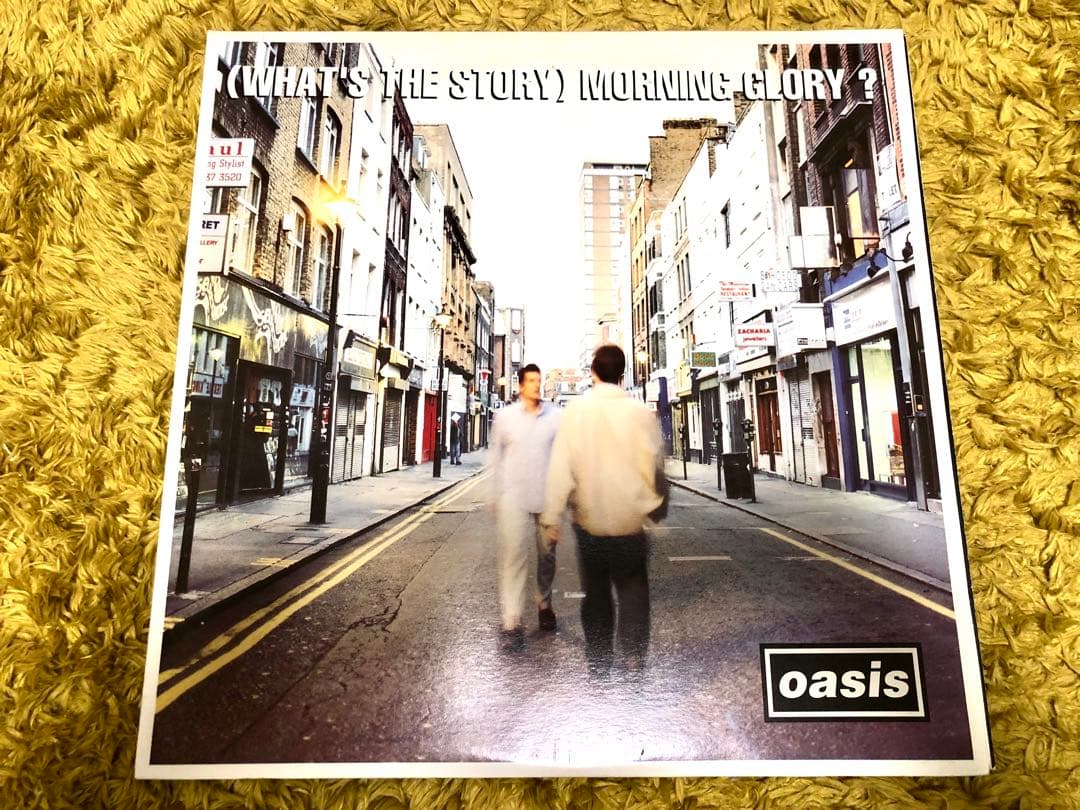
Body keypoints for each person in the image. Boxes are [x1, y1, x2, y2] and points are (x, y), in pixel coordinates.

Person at [540, 344, 667, 676]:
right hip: (630, 520)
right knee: (633, 590)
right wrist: (654, 507)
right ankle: (633, 657)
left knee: (596, 594)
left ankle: (599, 662)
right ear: (622, 374)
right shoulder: (640, 413)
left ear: (593, 372)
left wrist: (551, 517)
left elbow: (560, 468)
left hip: (591, 521)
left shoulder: (577, 411)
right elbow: (656, 463)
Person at [488, 363, 562, 652]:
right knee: (514, 557)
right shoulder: (505, 417)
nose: (536, 384)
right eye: (530, 380)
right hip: (513, 497)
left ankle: (544, 603)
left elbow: (562, 460)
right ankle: (512, 621)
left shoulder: (556, 417)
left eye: (538, 380)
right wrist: (495, 495)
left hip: (546, 497)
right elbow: (496, 458)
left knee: (547, 556)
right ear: (520, 385)